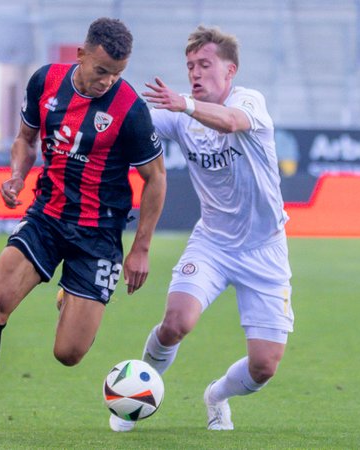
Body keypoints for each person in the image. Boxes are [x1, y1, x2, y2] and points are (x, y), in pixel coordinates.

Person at [0, 17, 166, 437]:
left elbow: (155, 177)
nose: (108, 81)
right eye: (101, 71)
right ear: (81, 55)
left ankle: (70, 295)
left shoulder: (130, 110)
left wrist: (141, 248)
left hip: (98, 236)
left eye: (117, 74)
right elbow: (25, 138)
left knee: (69, 353)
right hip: (47, 216)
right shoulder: (46, 82)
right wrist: (18, 176)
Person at [109, 25, 294, 432]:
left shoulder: (248, 102)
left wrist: (185, 104)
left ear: (230, 71)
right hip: (212, 243)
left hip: (265, 249)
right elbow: (131, 124)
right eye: (190, 65)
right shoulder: (182, 115)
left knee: (264, 365)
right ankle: (132, 399)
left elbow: (229, 122)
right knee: (176, 322)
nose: (195, 72)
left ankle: (217, 396)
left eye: (205, 64)